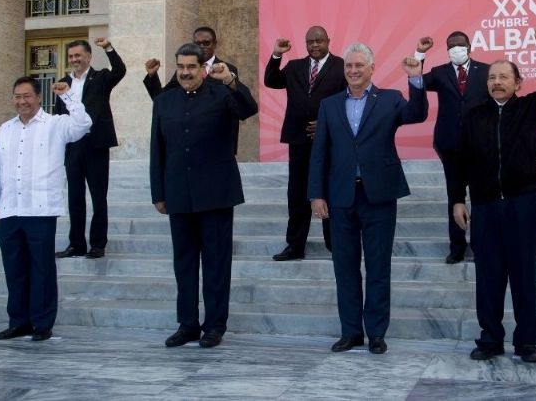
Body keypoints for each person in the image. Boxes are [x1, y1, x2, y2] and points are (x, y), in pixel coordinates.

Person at [448, 26, 536, 364]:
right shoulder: (474, 116)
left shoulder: (531, 109)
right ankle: (490, 339)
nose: (496, 82)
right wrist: (457, 199)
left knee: (524, 275)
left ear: (517, 83)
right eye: (492, 77)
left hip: (522, 204)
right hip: (484, 206)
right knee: (489, 276)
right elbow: (460, 162)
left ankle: (526, 342)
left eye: (503, 77)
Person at [308, 44, 428, 355]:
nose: (353, 71)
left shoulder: (389, 99)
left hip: (379, 196)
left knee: (378, 267)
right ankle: (350, 332)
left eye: (359, 65)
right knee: (344, 267)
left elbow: (417, 114)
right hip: (340, 197)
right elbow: (320, 153)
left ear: (372, 68)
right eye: (348, 66)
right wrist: (316, 194)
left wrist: (415, 80)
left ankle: (376, 333)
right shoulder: (329, 105)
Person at [151, 43, 258, 349]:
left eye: (191, 67)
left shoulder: (222, 93)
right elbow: (157, 150)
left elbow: (249, 108)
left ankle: (214, 325)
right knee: (183, 263)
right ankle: (187, 324)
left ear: (203, 68)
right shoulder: (164, 101)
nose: (185, 72)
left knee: (216, 263)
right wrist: (158, 192)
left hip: (216, 193)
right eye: (181, 67)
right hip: (178, 194)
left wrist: (230, 81)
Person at [0, 77, 92, 342]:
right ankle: (18, 321)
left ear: (38, 98)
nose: (22, 101)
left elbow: (83, 124)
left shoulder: (55, 124)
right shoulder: (5, 129)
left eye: (27, 96)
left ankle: (42, 323)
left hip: (40, 210)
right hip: (10, 209)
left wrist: (67, 96)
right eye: (17, 96)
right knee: (14, 268)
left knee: (42, 268)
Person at [264, 25, 346, 261]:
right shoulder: (294, 67)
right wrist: (277, 55)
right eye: (310, 41)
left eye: (319, 40)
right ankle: (295, 246)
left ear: (328, 41)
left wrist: (327, 123)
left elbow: (348, 100)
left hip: (330, 141)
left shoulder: (341, 66)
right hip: (299, 140)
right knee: (297, 194)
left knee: (329, 191)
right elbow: (271, 80)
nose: (314, 45)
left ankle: (335, 245)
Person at [414, 31, 490, 264]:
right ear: (447, 50)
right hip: (450, 146)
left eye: (460, 45)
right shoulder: (439, 73)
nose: (456, 49)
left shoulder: (486, 71)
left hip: (481, 145)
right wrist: (420, 54)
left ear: (469, 46)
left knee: (480, 197)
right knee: (454, 196)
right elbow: (416, 80)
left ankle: (480, 245)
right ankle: (457, 247)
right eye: (451, 46)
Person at [55, 37, 126, 260]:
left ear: (88, 56)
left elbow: (120, 70)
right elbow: (59, 117)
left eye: (78, 55)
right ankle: (76, 244)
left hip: (96, 144)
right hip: (73, 147)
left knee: (98, 196)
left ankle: (98, 243)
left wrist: (108, 47)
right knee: (74, 197)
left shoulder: (102, 77)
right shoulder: (62, 82)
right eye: (71, 56)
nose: (74, 60)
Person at [144, 26, 241, 153]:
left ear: (215, 44)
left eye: (206, 43)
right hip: (189, 142)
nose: (202, 46)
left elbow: (238, 105)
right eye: (197, 43)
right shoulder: (184, 72)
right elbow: (163, 99)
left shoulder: (227, 69)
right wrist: (152, 76)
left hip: (218, 142)